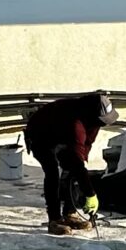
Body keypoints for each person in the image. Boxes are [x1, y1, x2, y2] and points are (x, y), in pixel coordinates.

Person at [23, 92, 109, 234]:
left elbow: (85, 145)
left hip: (63, 134)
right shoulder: (75, 123)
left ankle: (70, 213)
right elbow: (76, 159)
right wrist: (90, 193)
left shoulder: (95, 118)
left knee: (71, 170)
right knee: (52, 172)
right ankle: (54, 219)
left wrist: (80, 163)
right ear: (91, 114)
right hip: (40, 135)